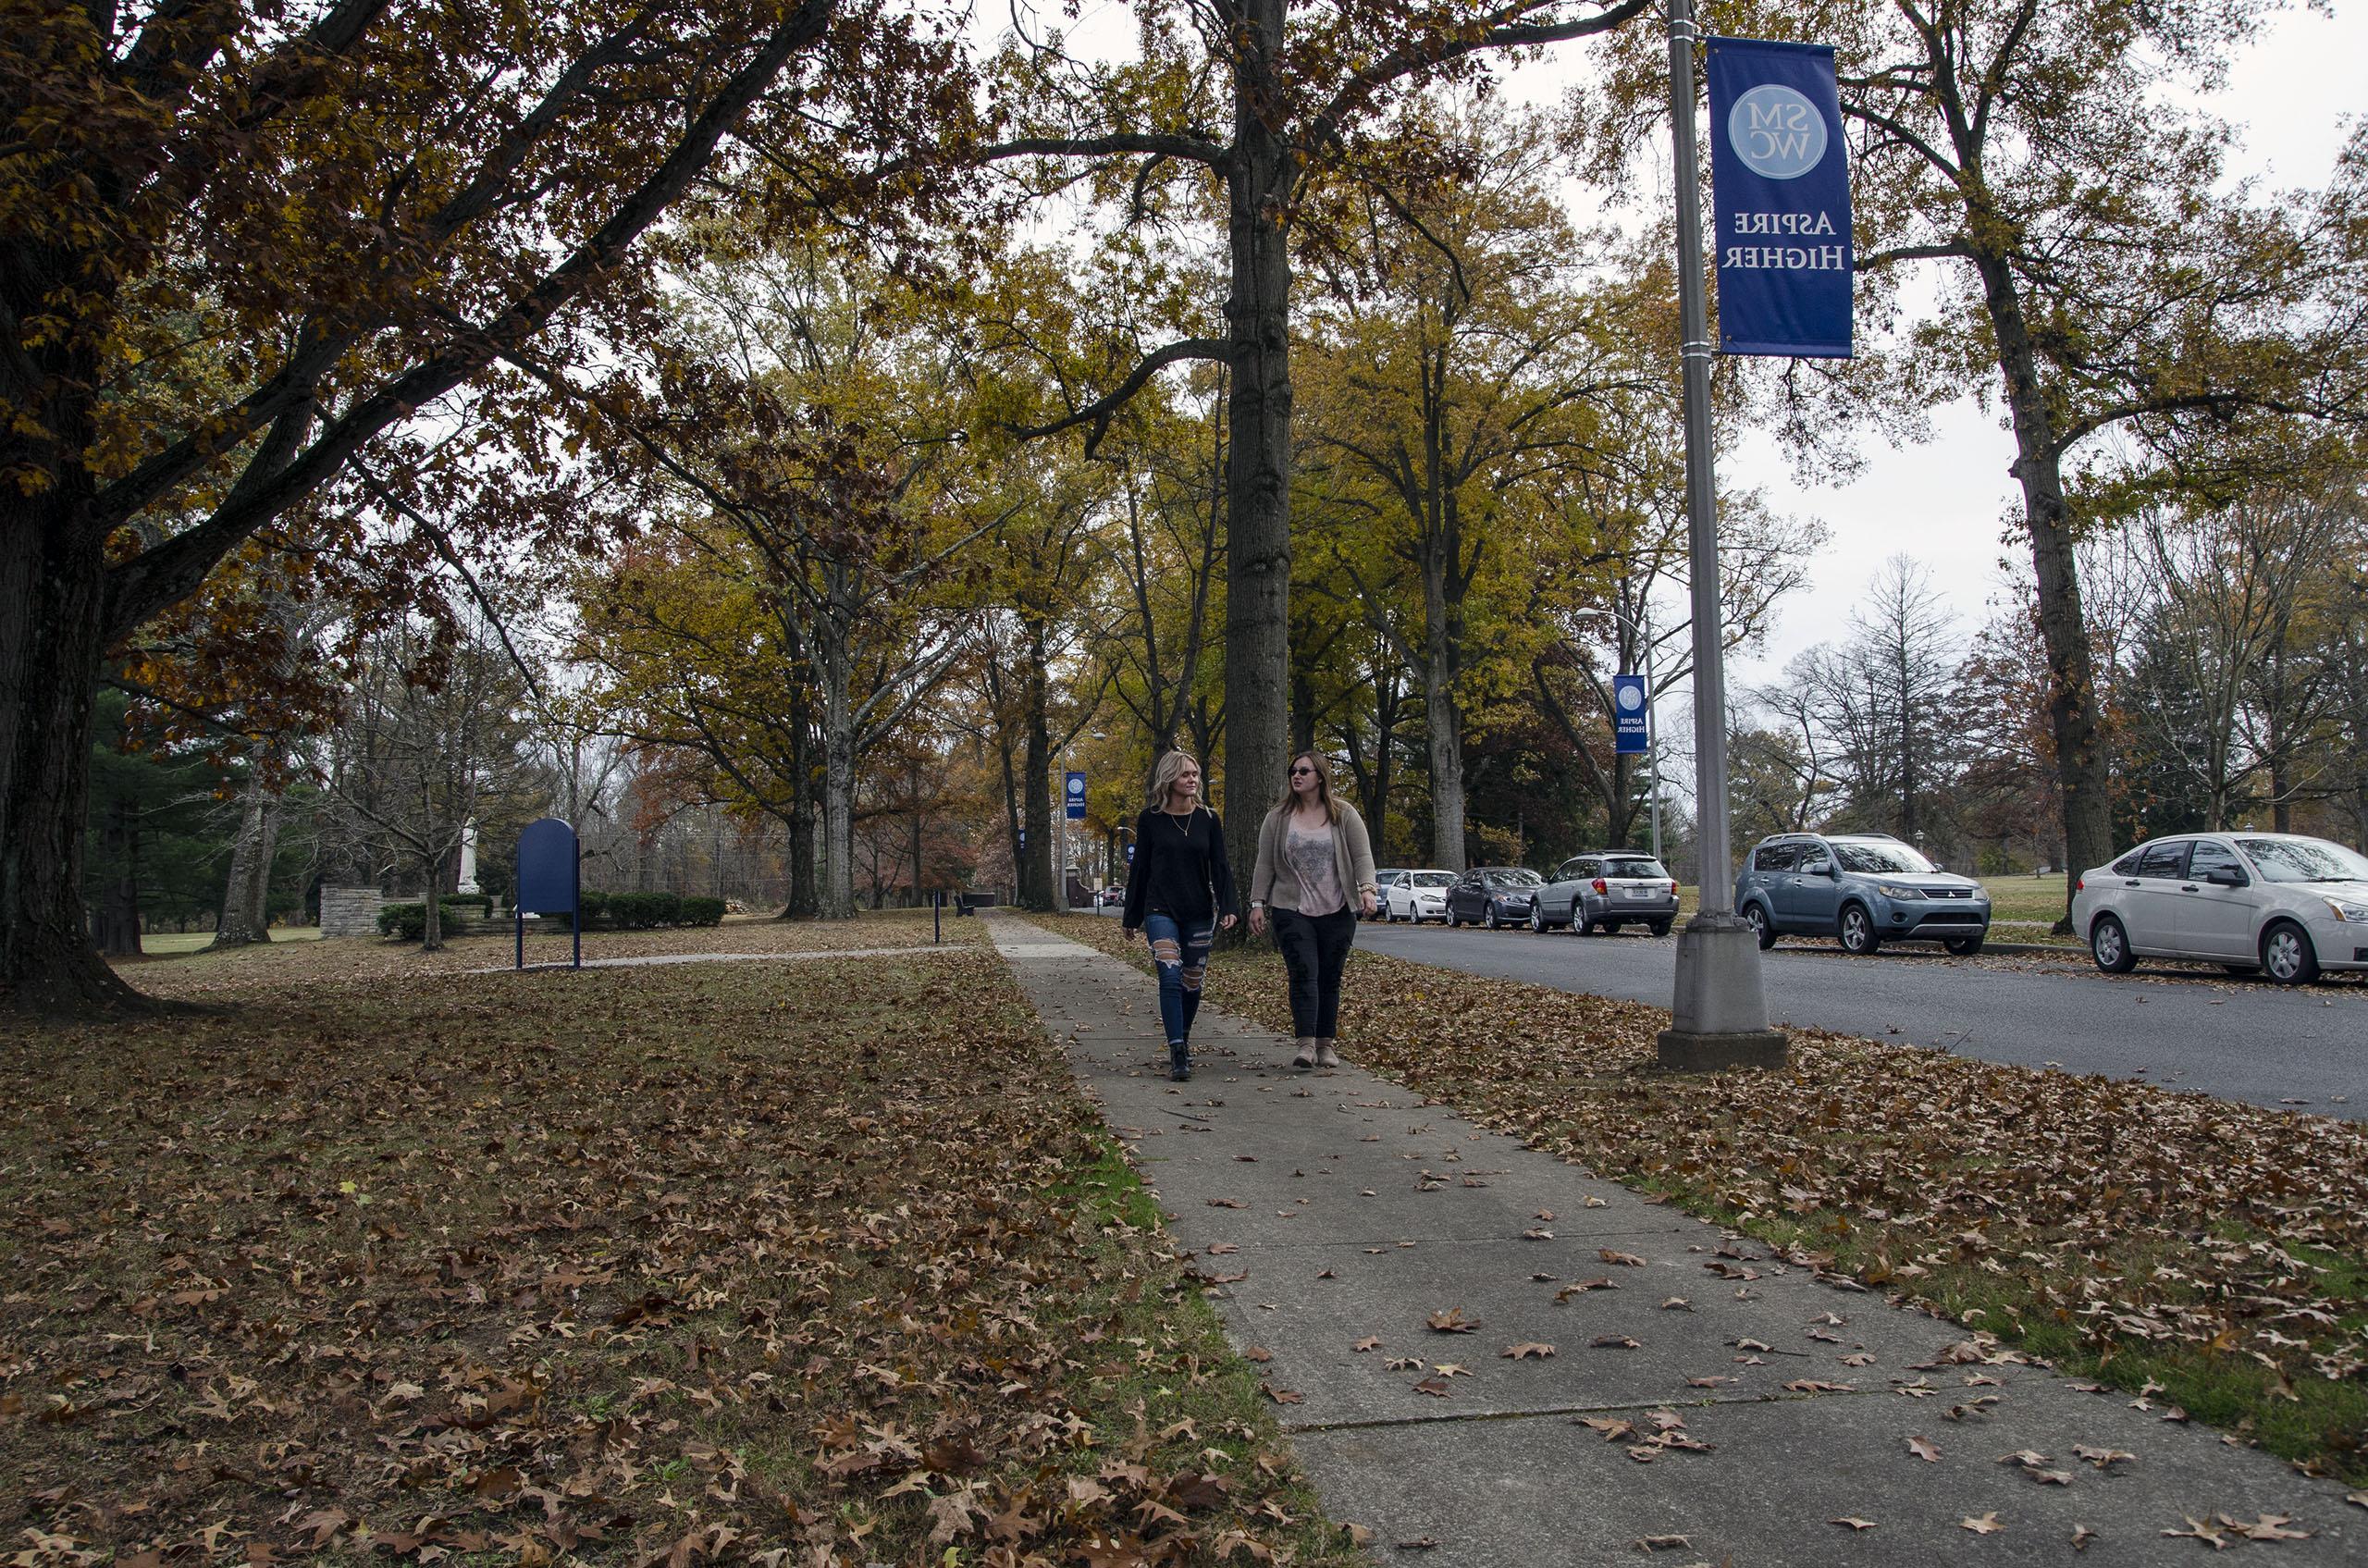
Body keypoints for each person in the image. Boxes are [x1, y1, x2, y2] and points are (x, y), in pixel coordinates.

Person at [1248, 751, 1377, 1069]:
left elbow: (1362, 856)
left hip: (1338, 910)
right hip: (1292, 909)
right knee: (1304, 973)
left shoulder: (1343, 814)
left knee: (1330, 977)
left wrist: (1368, 889)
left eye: (1304, 771)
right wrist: (1257, 903)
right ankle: (1305, 1045)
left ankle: (1326, 1045)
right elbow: (1264, 863)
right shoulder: (1277, 818)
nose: (1297, 775)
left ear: (1320, 776)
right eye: (1293, 771)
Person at [1120, 750, 1239, 1081]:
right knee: (1170, 976)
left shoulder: (1209, 819)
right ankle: (1176, 1050)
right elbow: (1140, 869)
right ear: (1169, 778)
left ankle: (1183, 1037)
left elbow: (1220, 866)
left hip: (1199, 911)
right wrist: (1131, 916)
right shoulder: (1150, 819)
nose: (1192, 780)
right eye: (1186, 774)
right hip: (1160, 909)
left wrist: (1229, 907)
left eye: (1196, 774)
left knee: (1192, 981)